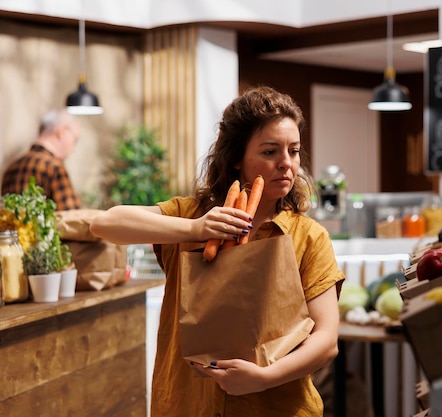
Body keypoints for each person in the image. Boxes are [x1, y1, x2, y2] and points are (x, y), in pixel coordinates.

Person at [90, 86, 345, 417]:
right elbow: (106, 224)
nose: (287, 164)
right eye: (270, 152)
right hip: (188, 403)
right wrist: (197, 229)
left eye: (294, 151)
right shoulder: (192, 215)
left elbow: (326, 341)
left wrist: (264, 378)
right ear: (237, 158)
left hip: (277, 406)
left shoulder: (308, 237)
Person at [1, 109, 82, 210]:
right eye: (75, 140)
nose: (73, 149)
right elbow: (73, 218)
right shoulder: (54, 168)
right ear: (62, 132)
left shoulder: (11, 168)